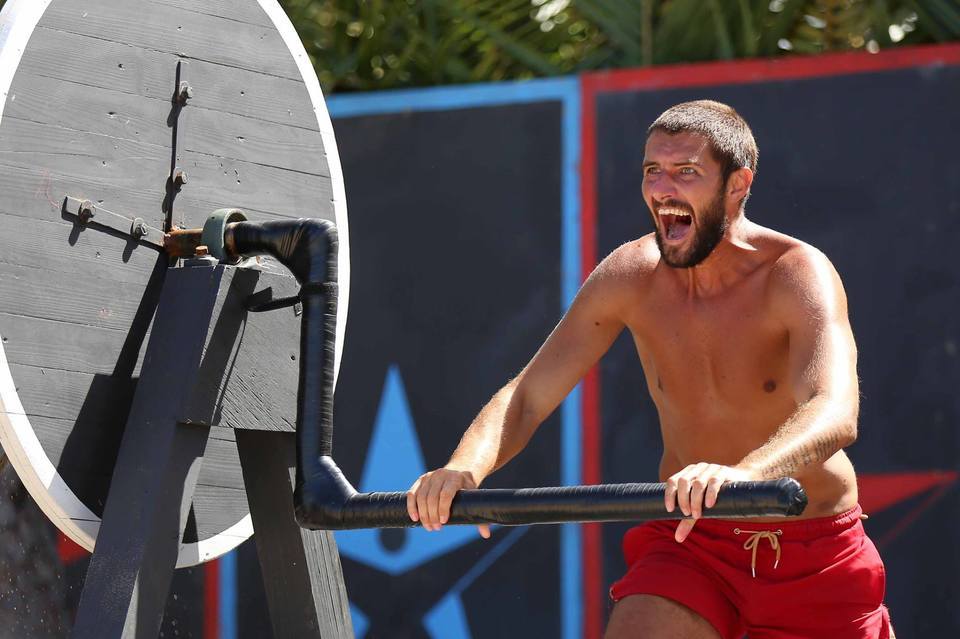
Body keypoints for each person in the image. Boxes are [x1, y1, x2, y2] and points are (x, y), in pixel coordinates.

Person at [406, 100, 892, 638]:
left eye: (686, 172)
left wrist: (746, 475)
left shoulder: (794, 271)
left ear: (737, 185)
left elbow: (835, 411)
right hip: (694, 541)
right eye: (652, 170)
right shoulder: (631, 272)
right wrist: (463, 469)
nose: (662, 188)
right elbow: (527, 395)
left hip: (813, 545)